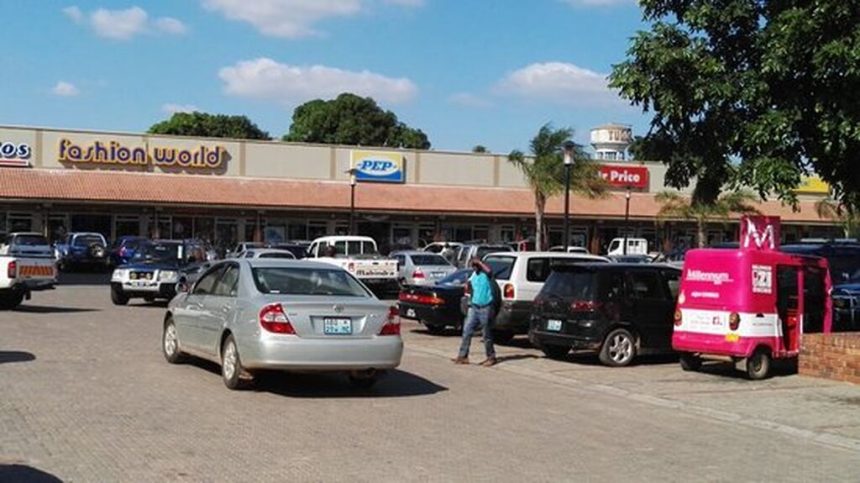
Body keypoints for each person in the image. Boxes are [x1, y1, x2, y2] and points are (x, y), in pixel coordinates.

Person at [453, 257, 497, 366]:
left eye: (476, 265)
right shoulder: (473, 275)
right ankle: (463, 356)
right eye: (473, 266)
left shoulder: (486, 275)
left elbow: (490, 271)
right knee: (467, 330)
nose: (474, 268)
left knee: (486, 333)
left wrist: (479, 262)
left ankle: (491, 357)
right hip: (474, 306)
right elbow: (468, 286)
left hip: (485, 306)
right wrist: (467, 287)